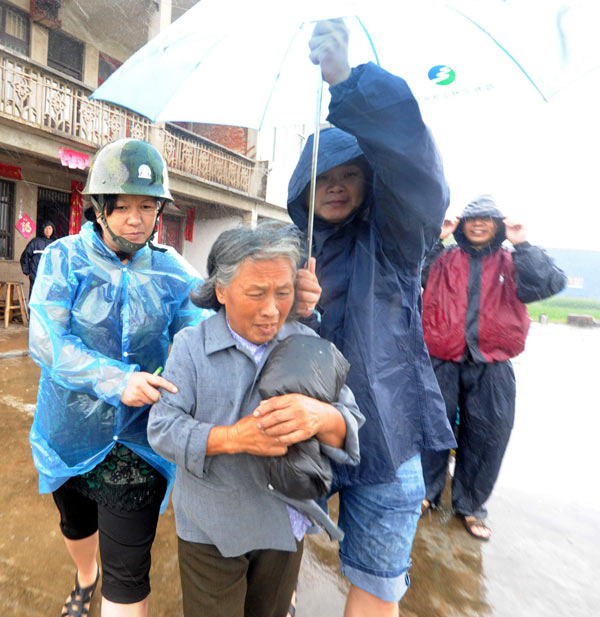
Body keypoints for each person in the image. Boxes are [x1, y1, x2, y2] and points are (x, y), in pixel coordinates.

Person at [286, 20, 457, 617]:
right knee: (276, 560)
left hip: (386, 434)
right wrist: (288, 309)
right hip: (298, 433)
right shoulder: (287, 248)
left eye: (349, 175)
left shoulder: (395, 238)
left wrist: (346, 82)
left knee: (379, 579)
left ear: (370, 181)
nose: (334, 188)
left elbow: (416, 169)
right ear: (301, 191)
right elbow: (241, 330)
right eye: (321, 180)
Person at [28, 138, 214, 617]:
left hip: (138, 440)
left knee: (129, 574)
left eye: (148, 206)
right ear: (100, 207)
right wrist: (115, 380)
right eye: (124, 206)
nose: (136, 218)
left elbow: (207, 326)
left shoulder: (173, 271)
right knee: (76, 525)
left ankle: (106, 585)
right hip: (68, 430)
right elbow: (47, 340)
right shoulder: (64, 259)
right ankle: (85, 576)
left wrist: (284, 299)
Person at [147, 222, 363, 617]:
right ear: (222, 290)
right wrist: (233, 438)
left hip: (284, 522)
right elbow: (162, 428)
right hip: (212, 527)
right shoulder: (192, 348)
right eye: (256, 293)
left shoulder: (307, 346)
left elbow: (349, 424)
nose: (270, 309)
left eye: (283, 293)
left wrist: (322, 415)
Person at [420, 195, 567, 540]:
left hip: (493, 363)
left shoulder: (513, 262)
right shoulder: (444, 257)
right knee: (430, 428)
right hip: (442, 358)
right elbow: (409, 271)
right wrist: (436, 236)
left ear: (499, 225)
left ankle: (471, 505)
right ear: (463, 225)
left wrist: (523, 243)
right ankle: (426, 493)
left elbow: (549, 283)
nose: (479, 224)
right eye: (472, 218)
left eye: (487, 218)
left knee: (489, 435)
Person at [19, 220, 56, 298]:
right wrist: (27, 271)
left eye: (50, 228)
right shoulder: (35, 242)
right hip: (35, 275)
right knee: (34, 296)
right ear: (43, 229)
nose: (48, 231)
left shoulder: (55, 244)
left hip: (49, 276)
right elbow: (25, 256)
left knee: (46, 297)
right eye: (46, 228)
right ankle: (32, 311)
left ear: (53, 230)